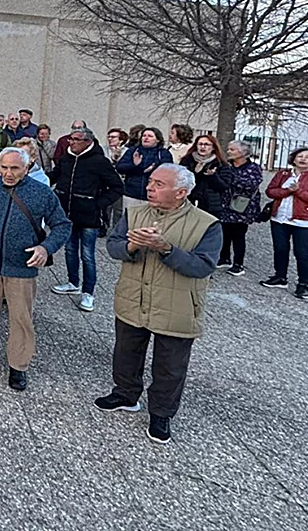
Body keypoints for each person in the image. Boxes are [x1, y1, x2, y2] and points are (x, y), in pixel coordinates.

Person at [97, 164, 221, 444]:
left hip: (177, 305)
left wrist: (165, 248)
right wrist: (131, 247)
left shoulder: (206, 224)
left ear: (181, 193)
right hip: (134, 296)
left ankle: (161, 413)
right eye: (150, 182)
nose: (150, 188)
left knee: (170, 365)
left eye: (158, 184)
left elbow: (203, 266)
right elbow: (113, 246)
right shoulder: (134, 213)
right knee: (126, 352)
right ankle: (125, 394)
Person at [0, 147, 72, 391]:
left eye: (14, 168)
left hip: (22, 266)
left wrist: (46, 248)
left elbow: (62, 225)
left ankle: (18, 365)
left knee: (21, 318)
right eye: (4, 168)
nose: (8, 173)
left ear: (27, 167)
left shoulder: (41, 193)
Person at [49, 127, 123, 312]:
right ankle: (72, 282)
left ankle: (88, 293)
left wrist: (98, 203)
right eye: (70, 139)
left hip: (89, 215)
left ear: (88, 142)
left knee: (87, 255)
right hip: (67, 213)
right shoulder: (66, 158)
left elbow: (116, 187)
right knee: (70, 249)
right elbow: (54, 176)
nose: (71, 142)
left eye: (76, 139)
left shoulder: (99, 161)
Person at [262, 148, 308, 299]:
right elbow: (270, 191)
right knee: (280, 249)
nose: (303, 159)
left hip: (304, 221)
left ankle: (303, 284)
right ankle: (280, 277)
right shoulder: (283, 174)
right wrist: (287, 191)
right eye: (300, 156)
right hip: (280, 218)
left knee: (302, 252)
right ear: (293, 159)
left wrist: (299, 191)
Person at [217, 140, 264, 275]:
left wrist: (230, 179)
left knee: (238, 235)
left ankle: (238, 264)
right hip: (225, 204)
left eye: (232, 150)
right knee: (224, 232)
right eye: (229, 149)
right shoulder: (226, 166)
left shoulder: (253, 168)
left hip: (242, 207)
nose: (229, 152)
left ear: (243, 153)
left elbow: (251, 184)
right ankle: (224, 258)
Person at [116, 127, 173, 207]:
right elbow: (120, 168)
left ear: (158, 139)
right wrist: (134, 165)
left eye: (150, 136)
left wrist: (152, 170)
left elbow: (168, 172)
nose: (146, 138)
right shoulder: (133, 151)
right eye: (144, 135)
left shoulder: (163, 153)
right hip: (131, 194)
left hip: (153, 195)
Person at [181, 135, 226, 222]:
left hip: (210, 204)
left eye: (206, 144)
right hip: (189, 201)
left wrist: (213, 176)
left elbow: (223, 186)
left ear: (213, 147)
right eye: (200, 144)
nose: (203, 147)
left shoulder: (220, 163)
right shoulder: (187, 160)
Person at [102, 128, 129, 231]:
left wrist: (117, 158)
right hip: (106, 183)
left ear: (121, 140)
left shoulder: (127, 151)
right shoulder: (103, 149)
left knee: (118, 209)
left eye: (113, 137)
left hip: (121, 183)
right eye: (109, 136)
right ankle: (104, 226)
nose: (110, 139)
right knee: (106, 207)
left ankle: (116, 230)